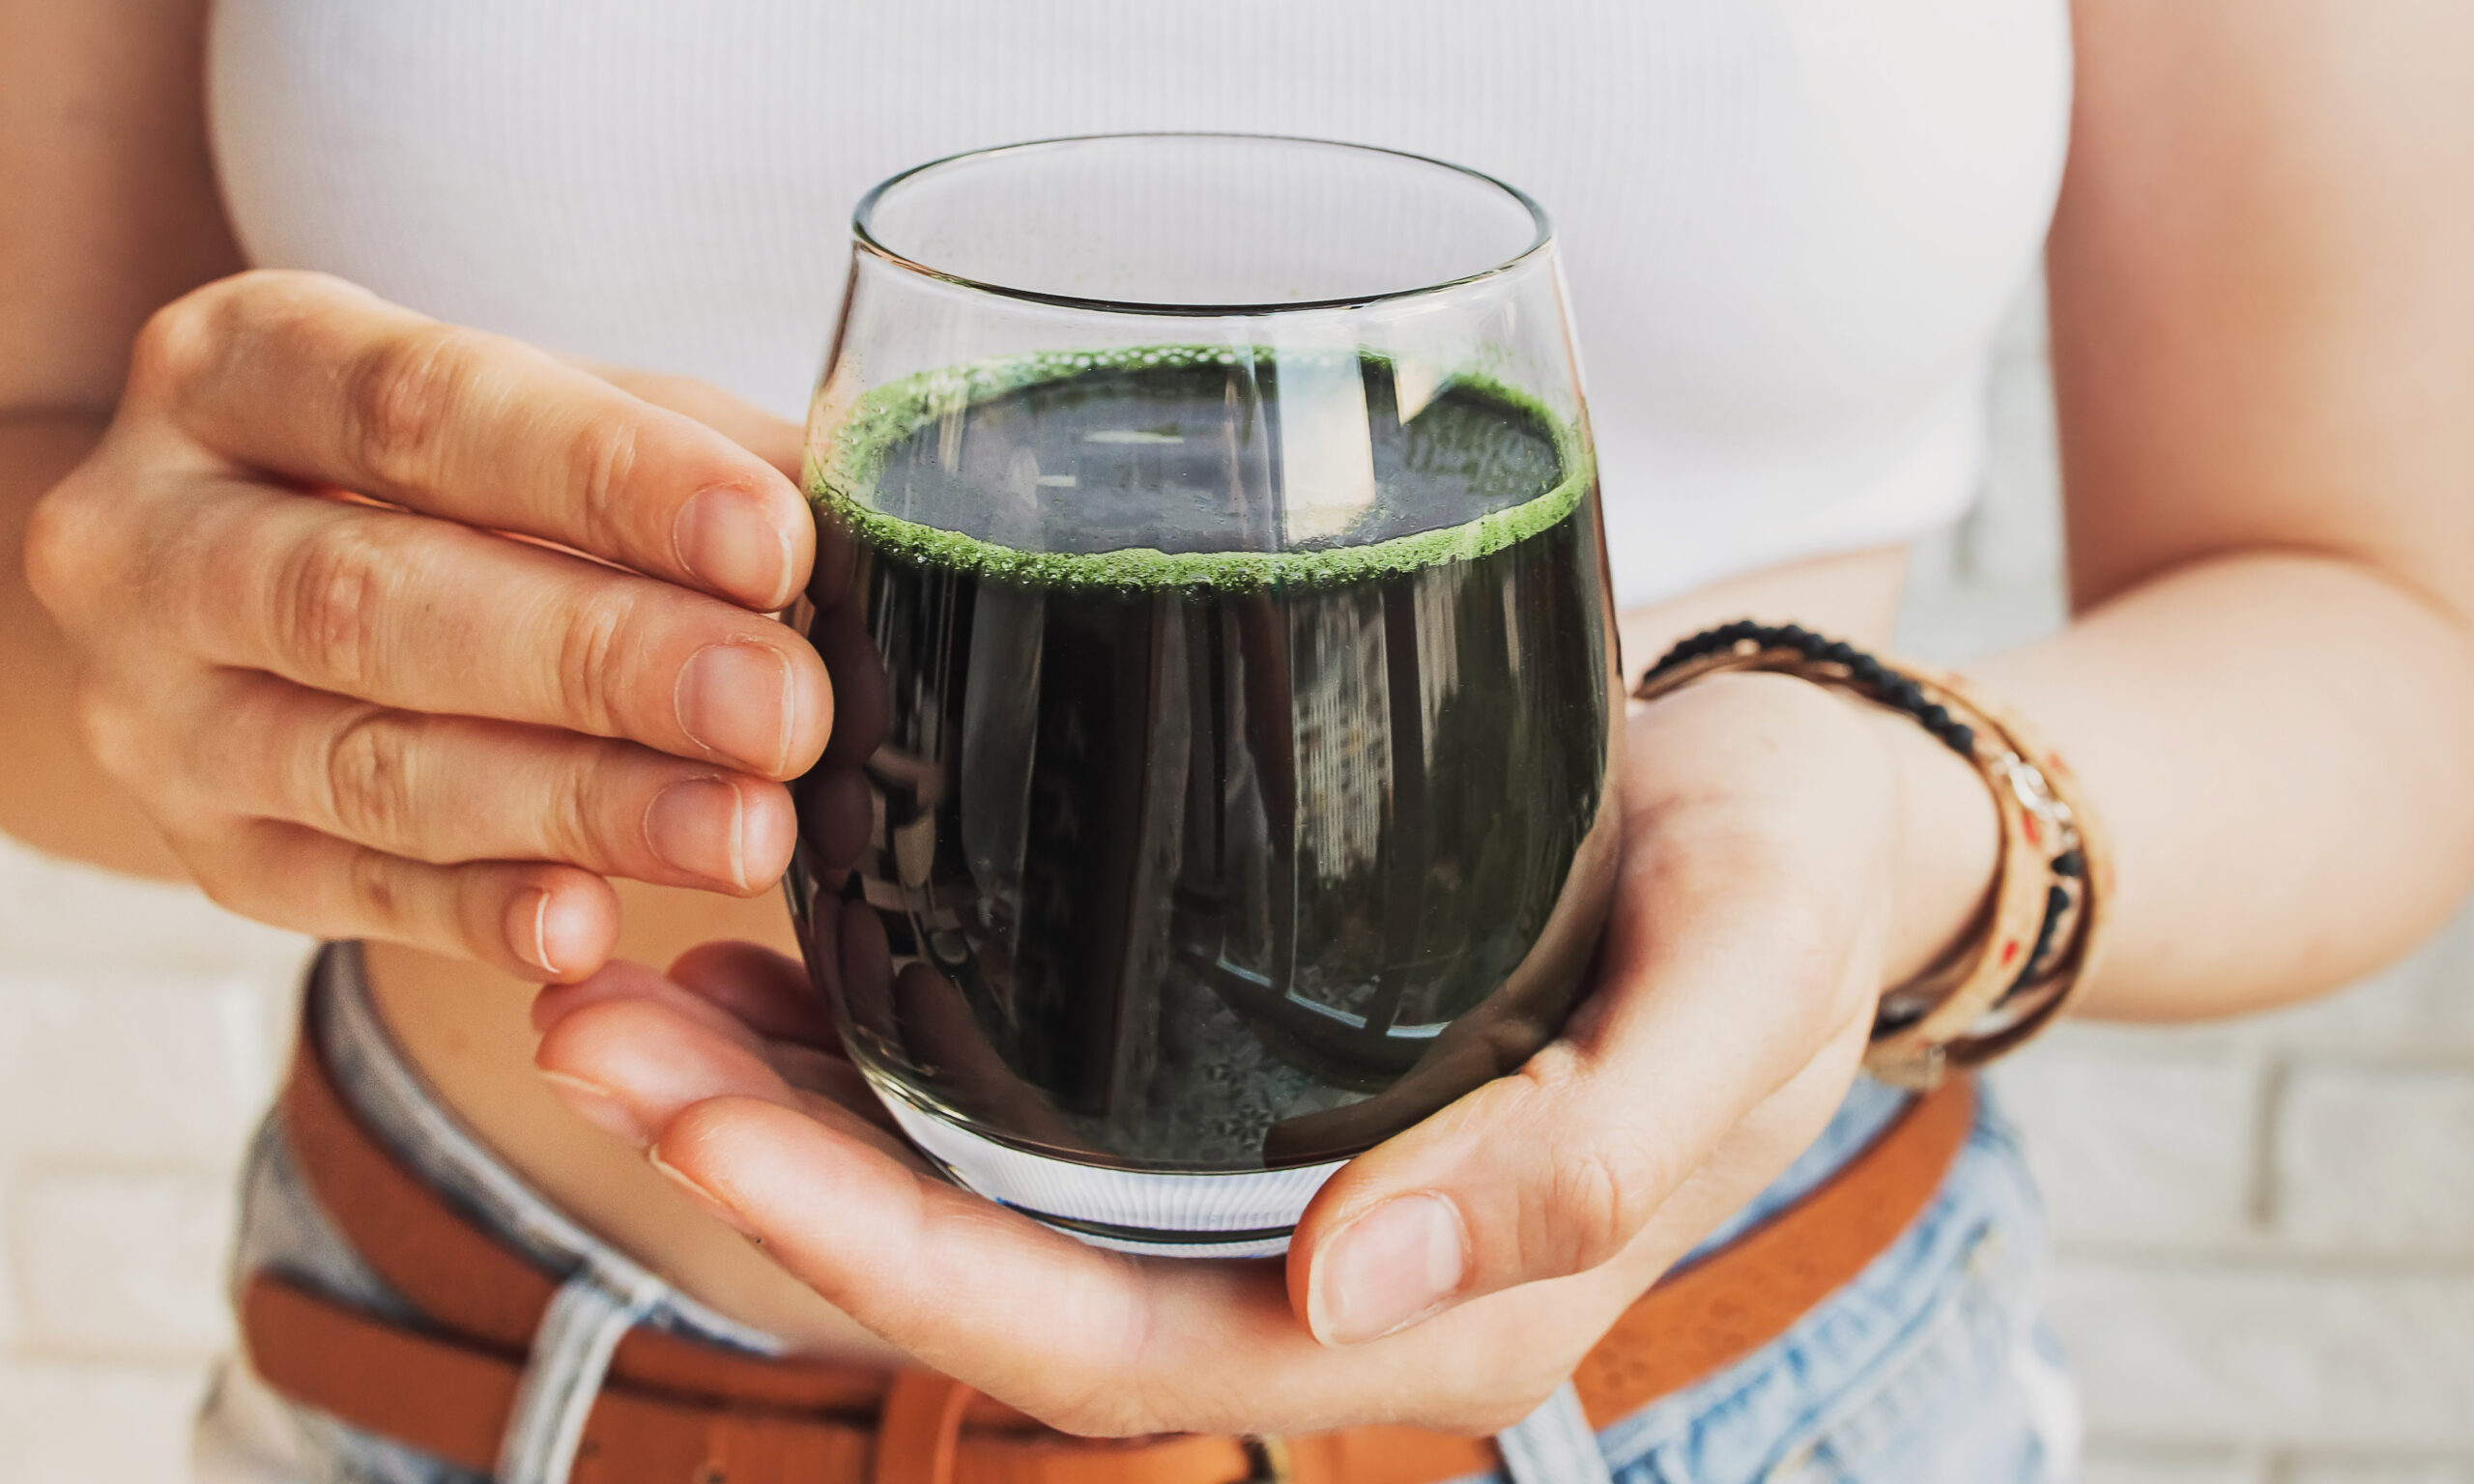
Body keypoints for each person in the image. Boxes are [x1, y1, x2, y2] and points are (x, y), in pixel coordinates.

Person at [6, 1, 2471, 1480]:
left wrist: (1885, 812)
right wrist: (195, 668)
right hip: (497, 1398)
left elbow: (2385, 623)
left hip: (1743, 1405)